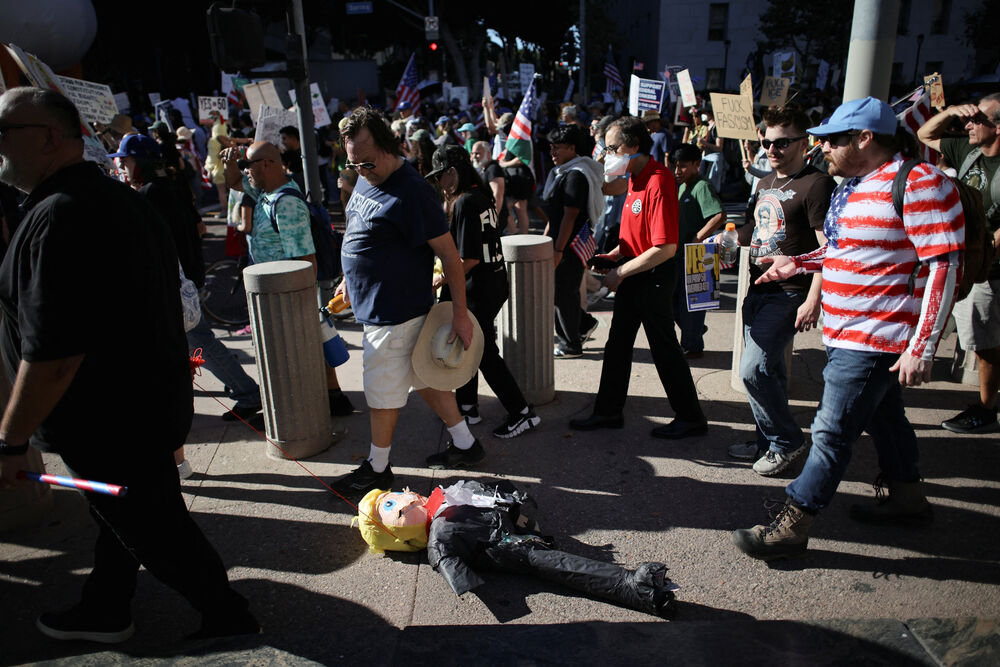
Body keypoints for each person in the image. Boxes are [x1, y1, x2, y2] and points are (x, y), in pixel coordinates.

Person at [0, 87, 257, 641]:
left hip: (108, 417)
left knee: (151, 523)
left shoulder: (64, 215)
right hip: (140, 405)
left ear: (48, 136)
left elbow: (53, 354)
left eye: (4, 133)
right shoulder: (113, 201)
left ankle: (226, 614)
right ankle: (107, 605)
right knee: (125, 512)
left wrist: (11, 441)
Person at [732, 97, 965, 561]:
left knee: (831, 432)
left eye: (833, 139)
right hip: (844, 333)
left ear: (865, 139)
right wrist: (795, 262)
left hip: (876, 336)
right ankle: (907, 499)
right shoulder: (852, 185)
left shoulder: (921, 183)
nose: (823, 147)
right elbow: (843, 251)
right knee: (885, 417)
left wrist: (922, 345)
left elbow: (944, 266)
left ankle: (793, 522)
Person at [331, 106, 479, 496]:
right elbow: (357, 225)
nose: (360, 170)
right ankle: (466, 443)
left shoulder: (413, 191)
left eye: (366, 162)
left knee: (380, 393)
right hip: (379, 305)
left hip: (395, 313)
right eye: (352, 163)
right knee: (423, 377)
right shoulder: (366, 174)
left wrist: (461, 316)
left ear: (389, 145)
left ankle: (377, 468)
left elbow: (451, 257)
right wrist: (350, 276)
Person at [569, 116, 707, 439]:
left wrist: (620, 272)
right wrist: (615, 256)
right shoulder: (635, 176)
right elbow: (638, 235)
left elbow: (665, 248)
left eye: (613, 147)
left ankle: (690, 416)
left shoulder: (658, 180)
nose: (608, 154)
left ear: (633, 146)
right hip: (636, 273)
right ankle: (607, 412)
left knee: (664, 348)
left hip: (653, 277)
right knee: (617, 345)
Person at [726, 107, 834, 476]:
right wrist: (720, 241)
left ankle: (787, 440)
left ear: (804, 143)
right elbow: (751, 232)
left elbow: (829, 248)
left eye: (781, 142)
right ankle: (766, 443)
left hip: (790, 291)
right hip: (757, 289)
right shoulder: (765, 183)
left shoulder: (817, 183)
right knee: (768, 370)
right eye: (766, 142)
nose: (772, 149)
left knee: (753, 370)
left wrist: (813, 298)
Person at [223, 141, 353, 416]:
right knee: (298, 354)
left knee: (292, 358)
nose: (245, 172)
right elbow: (233, 181)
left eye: (249, 166)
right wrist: (229, 163)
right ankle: (326, 400)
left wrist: (296, 307)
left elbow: (306, 262)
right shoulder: (264, 192)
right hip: (272, 294)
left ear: (268, 164)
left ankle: (302, 411)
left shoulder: (286, 205)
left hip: (285, 297)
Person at [426, 145, 541, 438]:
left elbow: (468, 259)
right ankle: (467, 407)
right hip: (491, 281)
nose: (439, 183)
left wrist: (441, 281)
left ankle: (522, 412)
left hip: (478, 285)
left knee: (481, 350)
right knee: (469, 346)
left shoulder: (465, 202)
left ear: (452, 173)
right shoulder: (480, 196)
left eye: (441, 175)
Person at [917, 93, 1000, 434]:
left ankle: (985, 409)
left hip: (989, 268)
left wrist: (986, 248)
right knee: (975, 335)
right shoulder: (967, 150)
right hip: (964, 260)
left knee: (985, 340)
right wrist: (951, 110)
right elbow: (925, 135)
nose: (968, 124)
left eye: (977, 118)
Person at [539, 123, 604, 358]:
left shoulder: (576, 175)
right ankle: (583, 325)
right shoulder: (565, 172)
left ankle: (571, 345)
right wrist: (545, 241)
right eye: (551, 148)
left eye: (558, 148)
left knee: (562, 293)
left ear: (572, 148)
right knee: (560, 292)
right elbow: (555, 216)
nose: (553, 153)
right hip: (561, 244)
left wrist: (557, 249)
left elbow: (570, 216)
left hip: (570, 246)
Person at [668, 143, 725, 359]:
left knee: (692, 304)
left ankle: (692, 345)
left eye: (683, 166)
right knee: (674, 302)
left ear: (696, 164)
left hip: (698, 254)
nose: (677, 171)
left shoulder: (702, 186)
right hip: (680, 253)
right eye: (675, 166)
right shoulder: (683, 187)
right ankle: (695, 333)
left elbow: (719, 216)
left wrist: (697, 238)